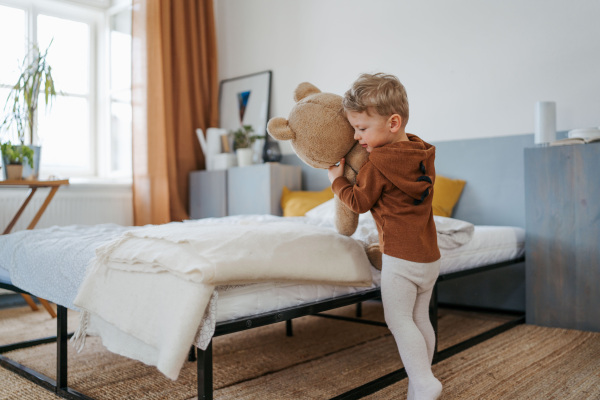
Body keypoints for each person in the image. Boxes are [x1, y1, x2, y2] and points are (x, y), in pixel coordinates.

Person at [328, 73, 442, 400]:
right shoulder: (422, 152)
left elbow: (359, 202)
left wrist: (338, 181)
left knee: (397, 320)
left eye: (362, 128)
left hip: (401, 258)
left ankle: (423, 382)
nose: (355, 136)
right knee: (420, 317)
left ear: (393, 122)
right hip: (429, 256)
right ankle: (419, 383)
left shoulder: (377, 164)